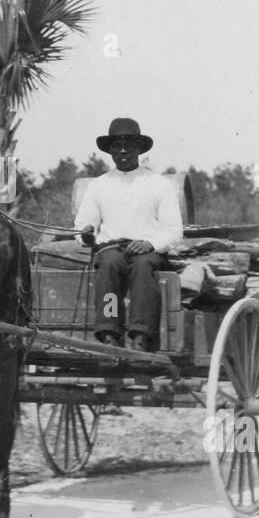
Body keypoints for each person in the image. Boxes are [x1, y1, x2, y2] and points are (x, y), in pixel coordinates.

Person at [74, 117, 185, 350]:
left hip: (146, 250)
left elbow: (174, 231)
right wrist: (85, 234)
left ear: (139, 149)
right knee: (109, 266)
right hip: (111, 248)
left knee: (143, 268)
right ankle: (108, 333)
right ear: (110, 151)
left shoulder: (158, 184)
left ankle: (140, 336)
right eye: (117, 146)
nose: (123, 151)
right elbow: (83, 224)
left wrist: (150, 244)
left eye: (129, 145)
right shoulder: (99, 185)